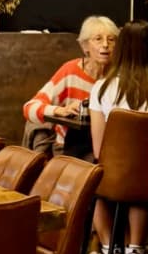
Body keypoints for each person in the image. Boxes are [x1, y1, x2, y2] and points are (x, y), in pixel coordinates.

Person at [89, 20, 148, 254]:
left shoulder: (103, 87)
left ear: (121, 48)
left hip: (116, 178)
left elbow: (98, 148)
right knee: (141, 184)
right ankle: (135, 253)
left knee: (89, 177)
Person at [22, 15, 118, 154]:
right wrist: (60, 110)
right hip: (68, 148)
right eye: (98, 39)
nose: (105, 45)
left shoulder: (120, 76)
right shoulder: (71, 71)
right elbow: (29, 107)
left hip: (107, 148)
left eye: (111, 39)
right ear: (85, 46)